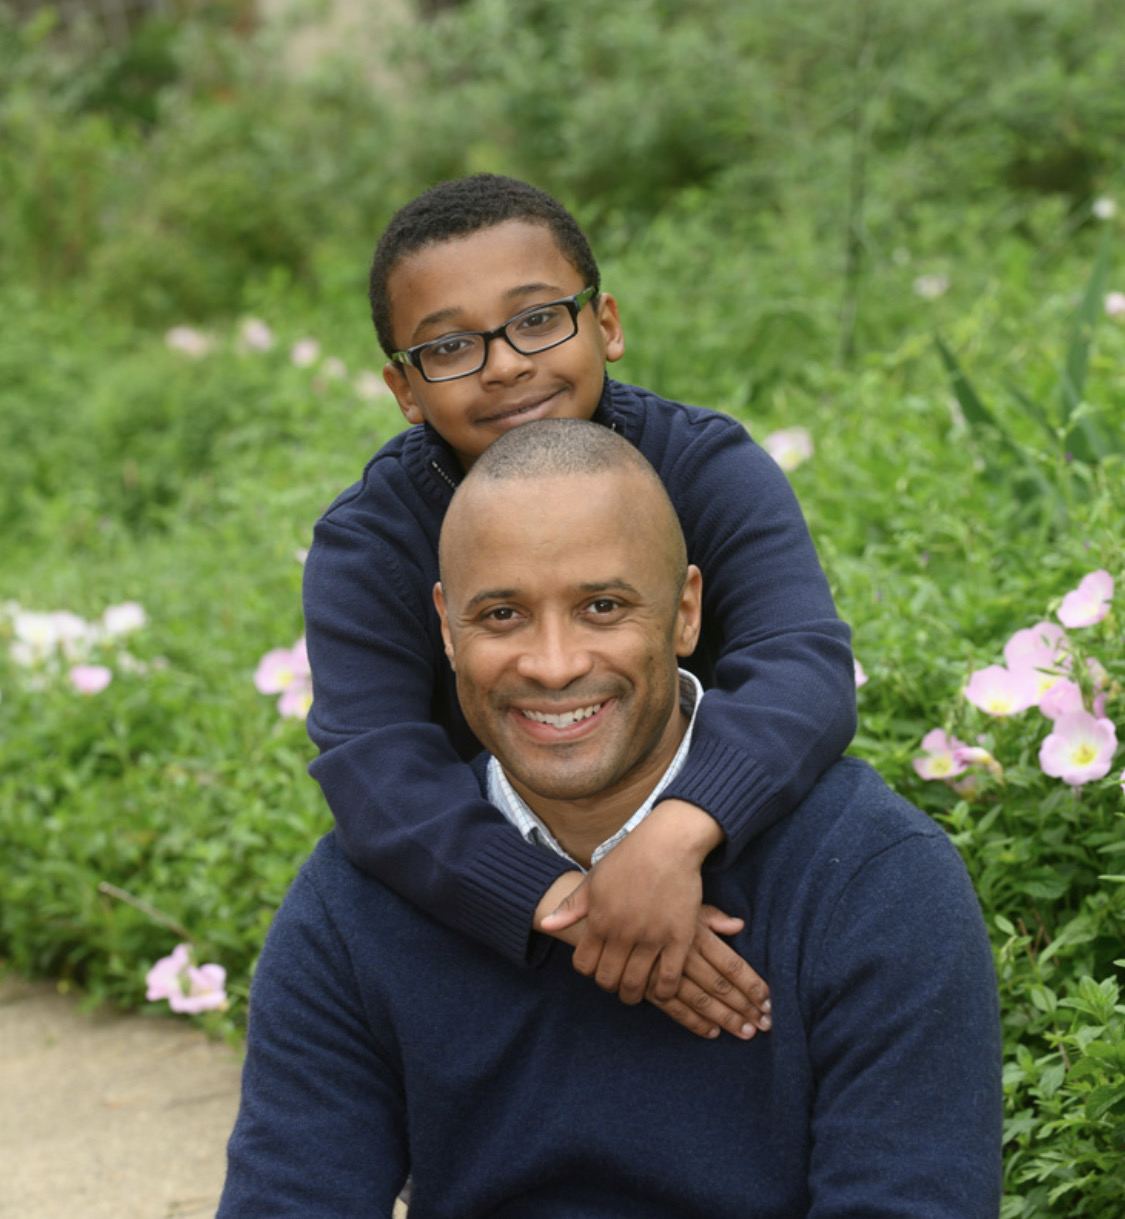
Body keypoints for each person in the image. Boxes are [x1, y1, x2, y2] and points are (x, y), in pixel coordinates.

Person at [219, 420, 1003, 1218]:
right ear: (445, 627)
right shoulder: (351, 910)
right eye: (500, 616)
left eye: (602, 606)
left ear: (686, 611)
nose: (554, 664)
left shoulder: (871, 877)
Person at [302, 173, 856, 1037]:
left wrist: (673, 839)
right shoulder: (369, 543)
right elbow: (376, 766)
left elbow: (801, 665)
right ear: (404, 389)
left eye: (536, 319)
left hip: (719, 858)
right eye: (448, 349)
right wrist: (570, 900)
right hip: (498, 897)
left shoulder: (706, 469)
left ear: (604, 323)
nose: (506, 364)